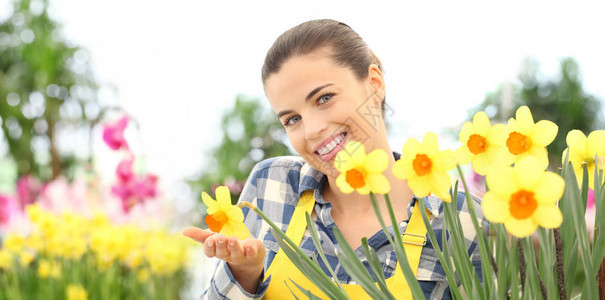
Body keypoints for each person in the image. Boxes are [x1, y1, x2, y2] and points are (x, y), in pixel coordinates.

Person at [183, 19, 486, 299]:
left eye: (324, 98)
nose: (312, 130)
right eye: (292, 119)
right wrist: (244, 274)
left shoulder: (464, 222)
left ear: (374, 83)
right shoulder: (271, 186)